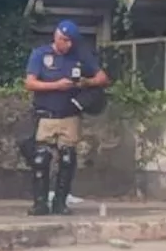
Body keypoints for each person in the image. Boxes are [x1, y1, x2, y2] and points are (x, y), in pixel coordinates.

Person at [23, 20, 110, 216]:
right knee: (40, 159)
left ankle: (61, 202)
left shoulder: (80, 54)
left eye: (70, 41)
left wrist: (86, 82)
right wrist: (56, 85)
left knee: (68, 159)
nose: (67, 45)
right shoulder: (41, 54)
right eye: (64, 40)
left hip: (70, 114)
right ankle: (40, 203)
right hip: (46, 113)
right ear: (56, 36)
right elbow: (30, 83)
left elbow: (103, 78)